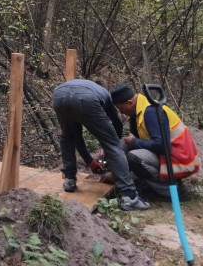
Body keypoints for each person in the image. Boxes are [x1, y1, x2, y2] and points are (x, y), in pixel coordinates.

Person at [52, 79, 150, 211]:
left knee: (67, 137)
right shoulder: (107, 98)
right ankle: (130, 197)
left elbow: (76, 137)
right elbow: (116, 124)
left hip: (59, 95)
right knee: (113, 145)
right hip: (86, 98)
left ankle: (69, 180)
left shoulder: (92, 89)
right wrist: (111, 144)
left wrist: (90, 161)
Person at [110, 83, 200, 198]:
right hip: (168, 155)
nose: (121, 112)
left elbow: (161, 146)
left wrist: (134, 142)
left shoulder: (150, 112)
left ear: (130, 103)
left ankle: (171, 191)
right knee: (124, 145)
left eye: (121, 108)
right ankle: (132, 182)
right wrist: (115, 173)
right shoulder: (137, 112)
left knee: (134, 157)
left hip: (179, 159)